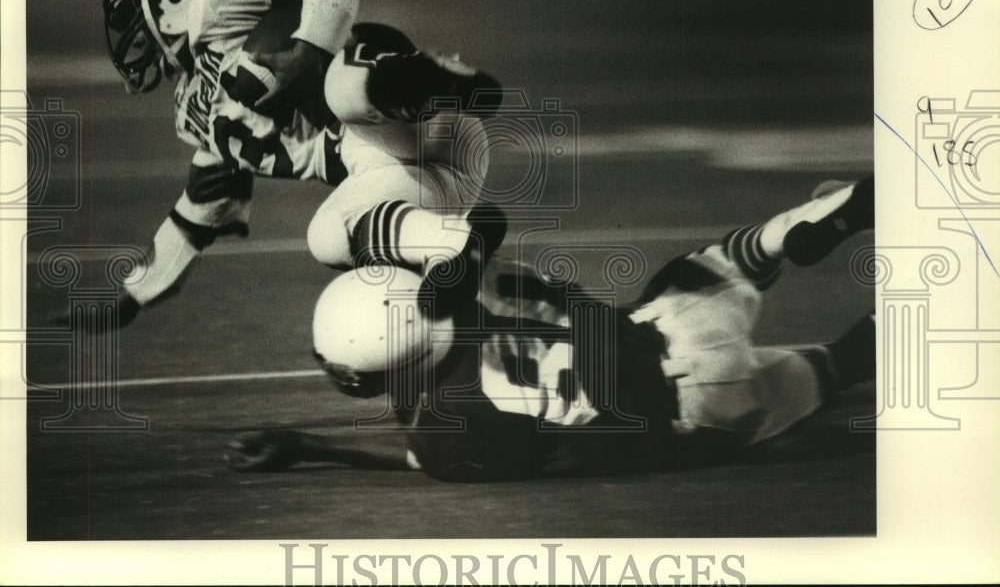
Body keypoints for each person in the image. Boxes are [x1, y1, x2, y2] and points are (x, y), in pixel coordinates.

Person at [226, 176, 876, 481]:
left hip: (699, 407)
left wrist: (314, 446)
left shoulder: (448, 428)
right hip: (671, 319)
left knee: (836, 367)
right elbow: (484, 221)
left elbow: (424, 458)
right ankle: (802, 227)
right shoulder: (468, 278)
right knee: (730, 260)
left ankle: (919, 328)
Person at [95, 0, 497, 331]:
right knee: (325, 235)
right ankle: (457, 243)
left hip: (418, 126)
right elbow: (200, 211)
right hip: (422, 176)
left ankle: (439, 82)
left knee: (340, 91)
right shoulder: (196, 109)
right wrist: (131, 298)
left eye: (130, 12)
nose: (130, 38)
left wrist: (310, 49)